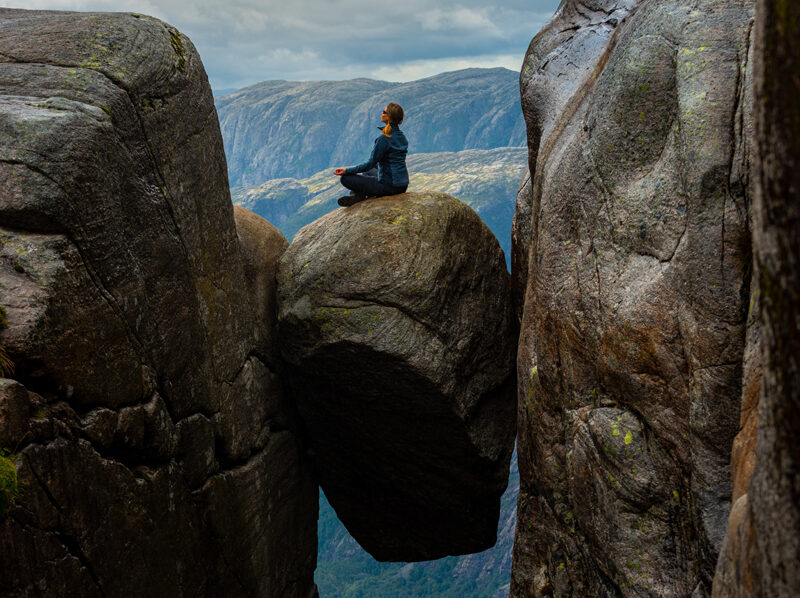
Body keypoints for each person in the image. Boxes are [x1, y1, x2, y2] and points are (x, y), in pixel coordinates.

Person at [333, 102, 409, 207]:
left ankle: (357, 195)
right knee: (370, 170)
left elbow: (369, 163)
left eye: (384, 112)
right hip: (402, 185)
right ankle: (357, 194)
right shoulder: (401, 136)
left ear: (389, 117)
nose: (382, 113)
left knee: (346, 179)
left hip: (389, 187)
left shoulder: (384, 139)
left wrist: (346, 171)